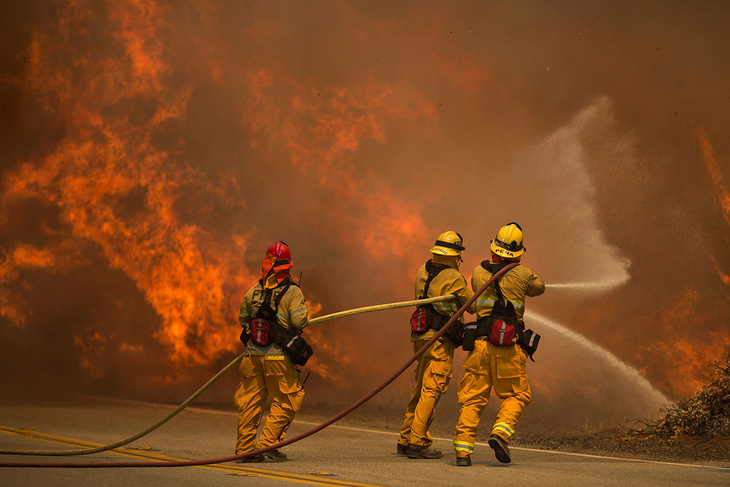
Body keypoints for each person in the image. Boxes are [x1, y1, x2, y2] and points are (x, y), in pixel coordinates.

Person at [452, 222, 545, 466]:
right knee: (519, 394)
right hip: (508, 349)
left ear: (493, 247)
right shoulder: (523, 275)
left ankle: (463, 452)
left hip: (480, 347)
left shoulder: (479, 272)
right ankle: (500, 433)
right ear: (518, 252)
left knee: (472, 399)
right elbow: (539, 288)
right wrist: (518, 269)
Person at [397, 231, 476, 459]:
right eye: (459, 255)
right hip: (439, 340)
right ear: (454, 255)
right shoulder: (454, 278)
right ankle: (418, 441)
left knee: (420, 387)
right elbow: (471, 307)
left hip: (419, 336)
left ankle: (405, 438)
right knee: (432, 389)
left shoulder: (423, 270)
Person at [234, 241, 310, 462]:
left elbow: (243, 320)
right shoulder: (292, 292)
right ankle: (267, 445)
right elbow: (299, 320)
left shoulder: (253, 291)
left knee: (250, 403)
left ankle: (246, 450)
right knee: (288, 400)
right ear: (287, 266)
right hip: (277, 358)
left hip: (252, 357)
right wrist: (303, 310)